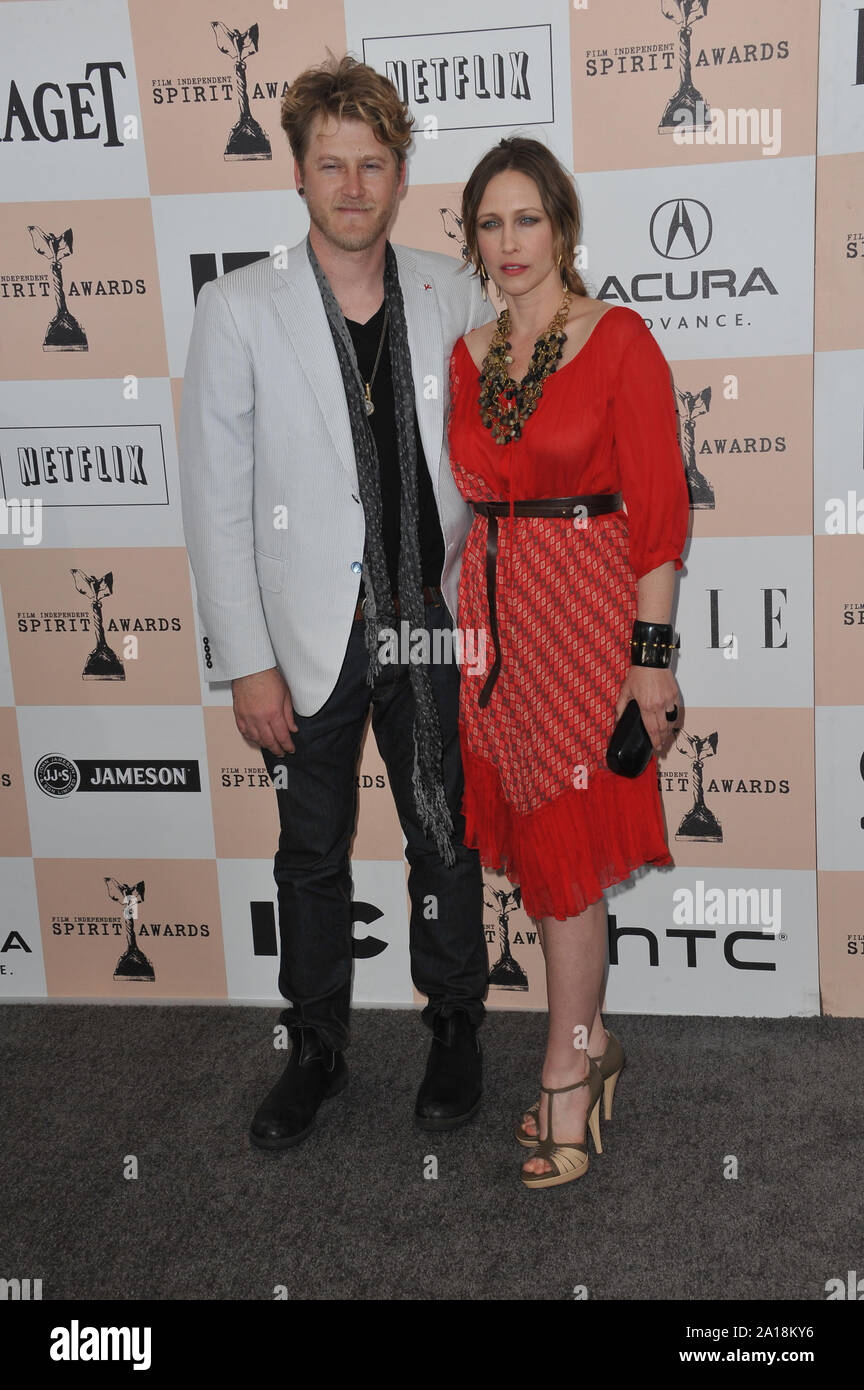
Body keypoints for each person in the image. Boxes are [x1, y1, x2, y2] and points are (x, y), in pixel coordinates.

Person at [178, 55, 493, 1150]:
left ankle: (454, 1019)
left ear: (401, 175)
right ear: (300, 176)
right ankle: (314, 1046)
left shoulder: (456, 294)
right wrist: (245, 660)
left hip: (426, 615)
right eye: (330, 165)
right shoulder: (238, 309)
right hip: (304, 634)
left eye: (372, 165)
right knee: (309, 852)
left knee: (443, 839)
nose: (352, 186)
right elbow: (215, 503)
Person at [447, 137, 689, 1188]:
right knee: (547, 865)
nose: (510, 243)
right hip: (492, 621)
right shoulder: (468, 356)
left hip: (586, 618)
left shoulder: (620, 339)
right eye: (490, 224)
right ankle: (593, 1042)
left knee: (565, 851)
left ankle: (570, 1065)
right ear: (473, 239)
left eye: (527, 220)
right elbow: (466, 498)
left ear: (564, 227)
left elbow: (662, 514)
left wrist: (652, 662)